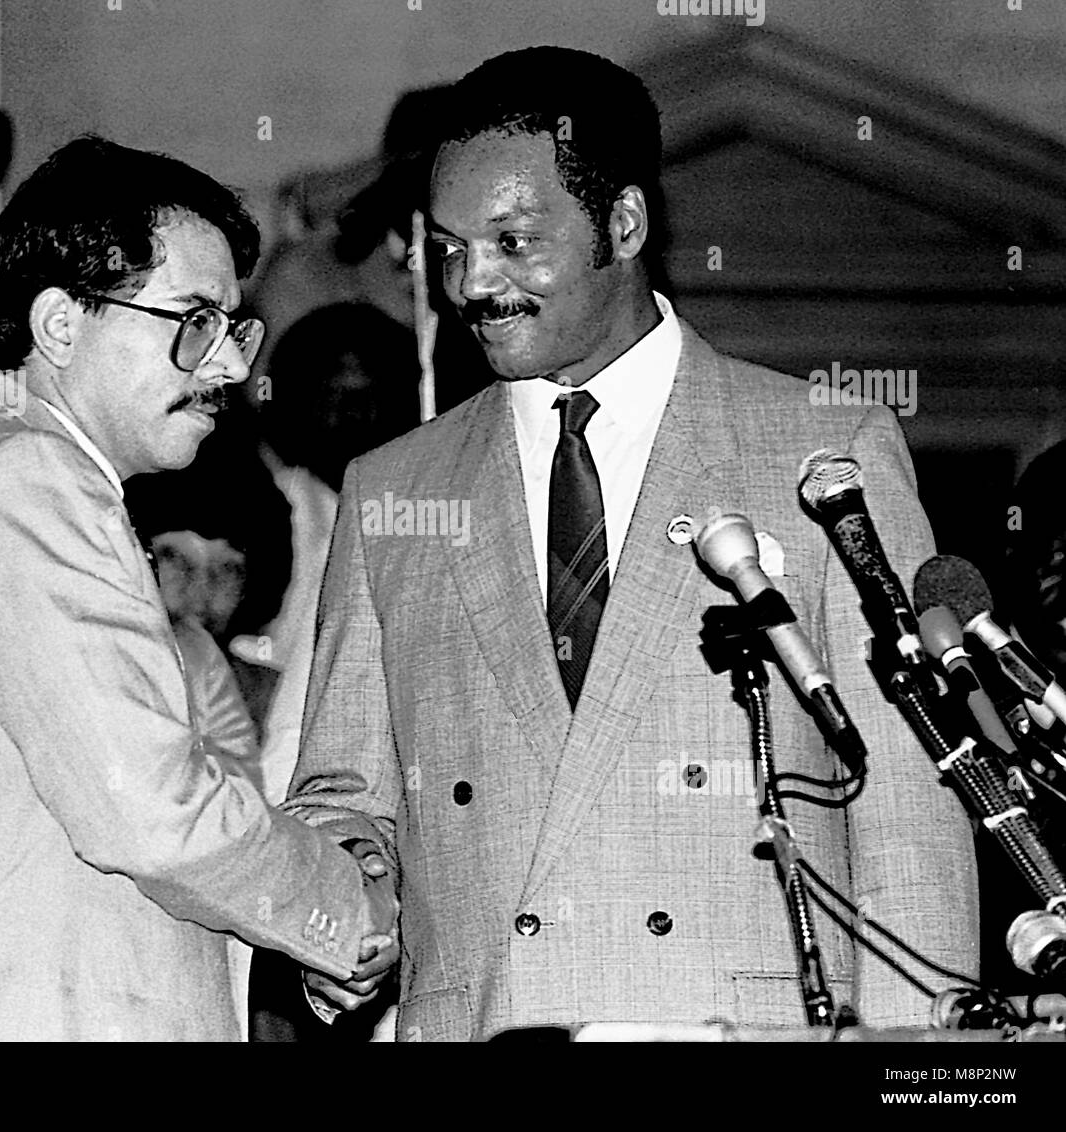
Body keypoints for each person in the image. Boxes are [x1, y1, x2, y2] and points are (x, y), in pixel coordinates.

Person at [281, 47, 980, 1040]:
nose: (472, 282)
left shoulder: (822, 449)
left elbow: (910, 819)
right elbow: (344, 793)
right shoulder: (391, 488)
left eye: (512, 241)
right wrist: (347, 902)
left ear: (623, 223)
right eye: (446, 248)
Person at [0, 135, 395, 1041]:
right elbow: (152, 808)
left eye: (233, 329)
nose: (227, 367)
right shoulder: (27, 484)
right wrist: (356, 909)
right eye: (193, 323)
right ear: (61, 324)